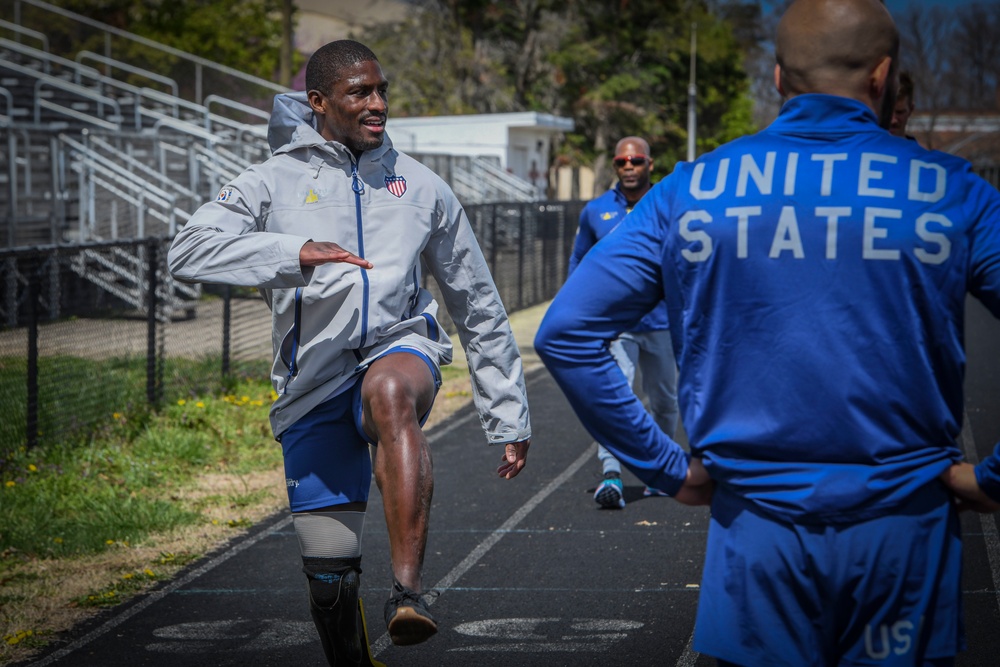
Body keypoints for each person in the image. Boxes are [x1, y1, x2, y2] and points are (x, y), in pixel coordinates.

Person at [535, 0, 1000, 664]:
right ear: (884, 77)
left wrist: (668, 469)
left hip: (755, 533)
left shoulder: (690, 191)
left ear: (778, 79)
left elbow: (566, 331)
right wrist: (994, 477)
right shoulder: (952, 190)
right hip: (904, 535)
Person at [168, 40, 532, 665]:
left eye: (381, 90)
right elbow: (188, 250)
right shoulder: (270, 180)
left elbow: (476, 302)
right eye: (360, 93)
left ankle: (409, 596)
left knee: (390, 392)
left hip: (398, 350)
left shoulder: (421, 186)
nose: (378, 104)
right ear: (318, 102)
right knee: (331, 584)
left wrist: (508, 413)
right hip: (312, 382)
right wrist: (293, 252)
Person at [569, 136, 679, 508]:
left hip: (663, 324)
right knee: (616, 398)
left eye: (635, 161)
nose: (628, 167)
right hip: (617, 327)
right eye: (621, 162)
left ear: (650, 164)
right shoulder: (596, 211)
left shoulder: (670, 205)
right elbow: (579, 266)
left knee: (665, 401)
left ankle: (661, 473)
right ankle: (611, 474)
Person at [891, 70, 917, 139]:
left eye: (899, 112)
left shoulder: (915, 150)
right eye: (887, 112)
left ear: (911, 110)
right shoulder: (862, 148)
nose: (893, 120)